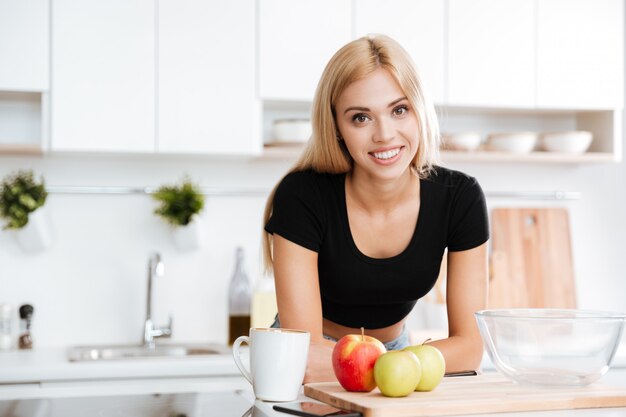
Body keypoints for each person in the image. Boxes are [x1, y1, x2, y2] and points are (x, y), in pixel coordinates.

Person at [262, 34, 489, 383]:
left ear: (419, 110)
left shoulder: (460, 197)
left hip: (399, 360)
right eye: (360, 118)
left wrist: (394, 363)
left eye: (399, 110)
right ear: (336, 127)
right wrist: (400, 364)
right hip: (318, 357)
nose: (385, 134)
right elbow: (304, 353)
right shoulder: (303, 195)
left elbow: (470, 348)